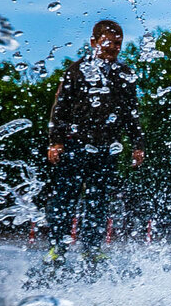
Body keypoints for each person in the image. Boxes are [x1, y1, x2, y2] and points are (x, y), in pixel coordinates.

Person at [45, 20, 145, 268]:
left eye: (118, 45)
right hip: (75, 145)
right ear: (94, 42)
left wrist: (137, 144)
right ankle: (57, 247)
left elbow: (131, 112)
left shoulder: (124, 74)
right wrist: (55, 142)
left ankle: (91, 248)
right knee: (65, 197)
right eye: (108, 44)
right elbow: (60, 109)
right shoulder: (76, 71)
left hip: (107, 146)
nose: (113, 49)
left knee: (98, 199)